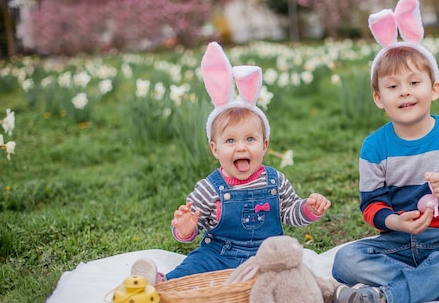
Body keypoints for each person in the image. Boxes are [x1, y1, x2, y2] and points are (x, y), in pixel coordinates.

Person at [332, 0, 439, 303]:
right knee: (345, 260)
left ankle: (390, 297)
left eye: (414, 82)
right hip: (395, 243)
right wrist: (394, 221)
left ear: (434, 89)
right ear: (379, 98)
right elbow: (371, 205)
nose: (405, 91)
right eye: (393, 87)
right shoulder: (374, 147)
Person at [132, 42, 331, 285]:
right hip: (219, 254)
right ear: (215, 149)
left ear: (265, 145)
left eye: (250, 139)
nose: (241, 147)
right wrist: (185, 230)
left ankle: (305, 287)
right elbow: (194, 226)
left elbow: (290, 214)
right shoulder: (209, 188)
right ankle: (165, 283)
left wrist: (309, 209)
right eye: (230, 140)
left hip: (264, 256)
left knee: (289, 271)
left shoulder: (275, 180)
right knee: (196, 264)